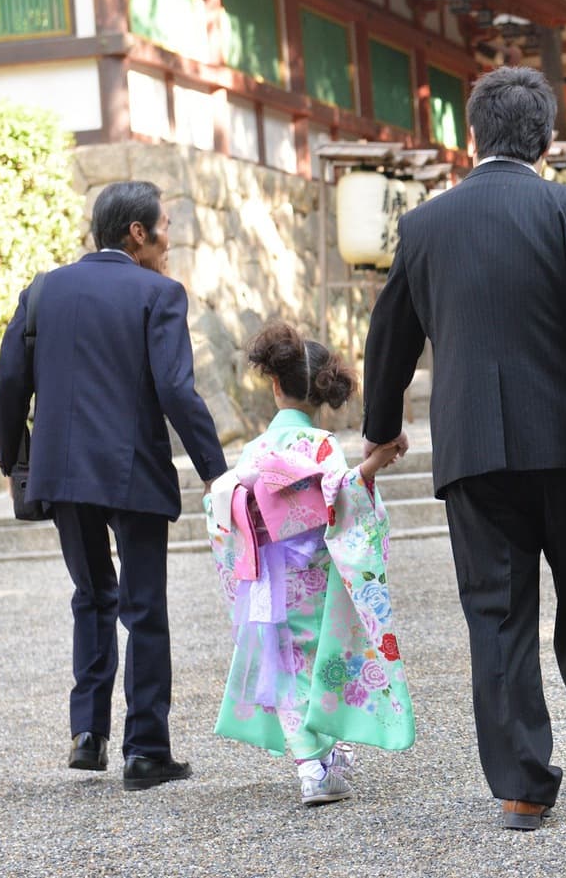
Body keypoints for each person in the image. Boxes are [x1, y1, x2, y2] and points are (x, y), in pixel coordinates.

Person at [361, 66, 566, 831]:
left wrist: (380, 426)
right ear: (546, 139)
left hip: (475, 448)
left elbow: (389, 337)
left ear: (472, 136)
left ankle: (522, 783)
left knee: (497, 613)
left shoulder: (424, 227)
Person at [0, 180, 227, 790]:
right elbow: (176, 390)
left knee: (93, 595)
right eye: (166, 227)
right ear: (138, 233)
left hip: (63, 475)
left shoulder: (42, 292)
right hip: (135, 472)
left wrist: (16, 463)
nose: (171, 240)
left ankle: (88, 736)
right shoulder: (159, 293)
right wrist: (216, 474)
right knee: (143, 610)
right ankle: (145, 750)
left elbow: (7, 389)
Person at [204, 321, 412, 806]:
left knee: (286, 663)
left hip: (270, 576)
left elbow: (224, 505)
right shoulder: (320, 446)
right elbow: (342, 495)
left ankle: (314, 762)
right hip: (320, 572)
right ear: (320, 391)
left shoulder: (255, 450)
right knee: (326, 659)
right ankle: (322, 762)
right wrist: (373, 467)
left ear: (274, 384)